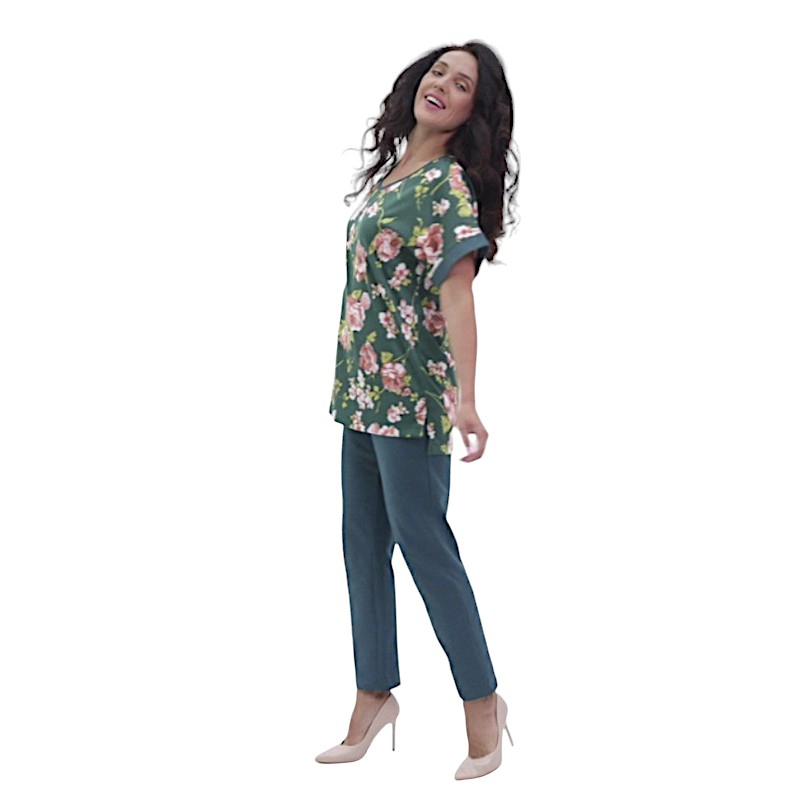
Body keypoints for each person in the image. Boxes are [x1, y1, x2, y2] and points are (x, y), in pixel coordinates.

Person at [316, 40, 519, 780]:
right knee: (362, 546)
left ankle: (483, 701)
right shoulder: (397, 172)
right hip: (360, 393)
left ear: (473, 111)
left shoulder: (446, 187)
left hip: (411, 399)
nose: (443, 85)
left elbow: (458, 293)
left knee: (426, 548)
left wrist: (467, 398)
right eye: (439, 72)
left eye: (462, 84)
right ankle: (374, 696)